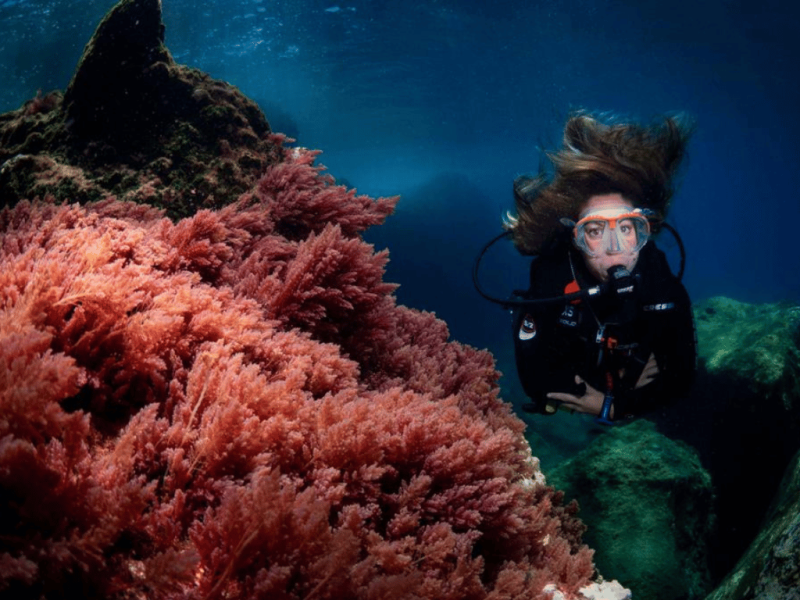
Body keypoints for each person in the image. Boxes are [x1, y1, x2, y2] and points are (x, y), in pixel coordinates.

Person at [504, 113, 696, 422]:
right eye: (594, 231)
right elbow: (536, 380)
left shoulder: (661, 283)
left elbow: (681, 379)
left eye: (626, 229)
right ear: (576, 238)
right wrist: (618, 388)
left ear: (644, 231)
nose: (614, 247)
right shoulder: (552, 275)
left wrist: (614, 405)